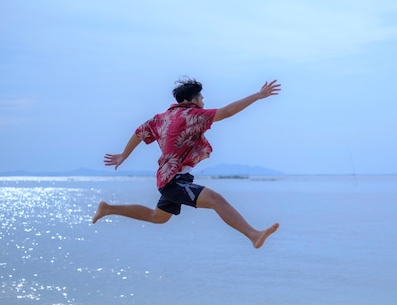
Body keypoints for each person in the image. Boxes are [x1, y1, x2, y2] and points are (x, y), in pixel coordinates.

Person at [92, 77, 281, 249]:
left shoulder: (161, 118)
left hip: (168, 179)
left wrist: (124, 155)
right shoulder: (192, 115)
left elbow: (139, 133)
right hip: (174, 181)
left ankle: (108, 208)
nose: (204, 102)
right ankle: (253, 234)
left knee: (157, 217)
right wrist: (258, 95)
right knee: (216, 200)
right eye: (202, 99)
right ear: (193, 100)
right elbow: (227, 112)